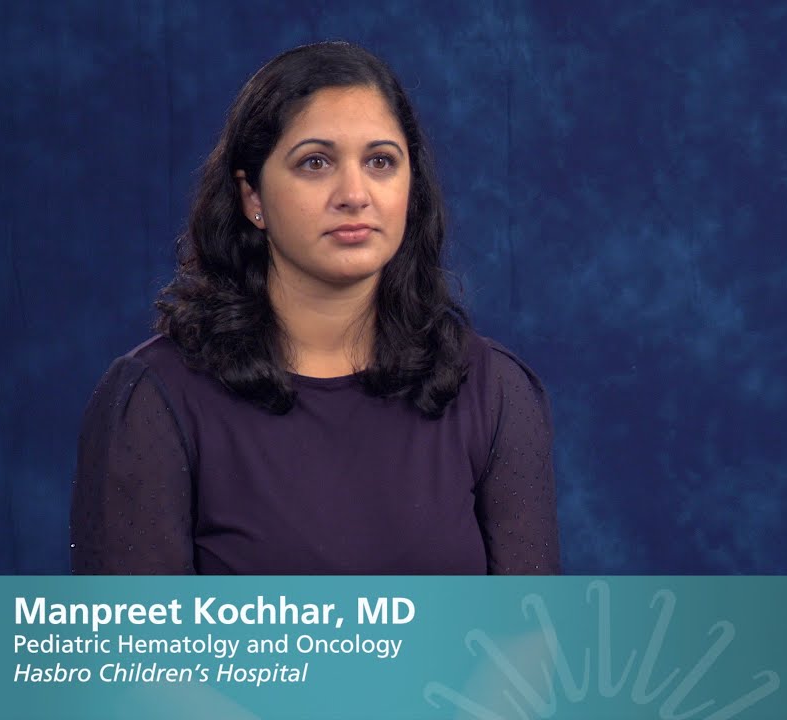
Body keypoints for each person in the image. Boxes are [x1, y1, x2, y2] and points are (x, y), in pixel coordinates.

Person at [70, 42, 559, 575]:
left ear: (411, 188)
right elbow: (136, 631)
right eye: (316, 163)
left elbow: (532, 626)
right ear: (252, 197)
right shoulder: (154, 400)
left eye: (380, 162)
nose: (354, 194)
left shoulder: (494, 391)